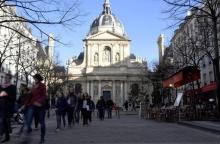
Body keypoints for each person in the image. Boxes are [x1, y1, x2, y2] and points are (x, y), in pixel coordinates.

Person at [22, 74, 47, 144]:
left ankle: (42, 138)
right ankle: (27, 135)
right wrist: (25, 104)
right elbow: (30, 97)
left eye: (35, 78)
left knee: (42, 123)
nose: (34, 79)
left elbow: (44, 96)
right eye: (34, 78)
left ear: (39, 79)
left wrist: (39, 102)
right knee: (28, 121)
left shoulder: (43, 86)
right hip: (32, 105)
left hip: (40, 106)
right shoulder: (33, 87)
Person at [0, 73, 16, 143]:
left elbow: (14, 98)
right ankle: (6, 136)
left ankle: (4, 136)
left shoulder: (12, 87)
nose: (5, 79)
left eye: (7, 78)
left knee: (4, 121)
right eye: (5, 78)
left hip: (8, 107)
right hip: (1, 106)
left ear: (10, 79)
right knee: (4, 122)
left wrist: (6, 94)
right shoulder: (1, 86)